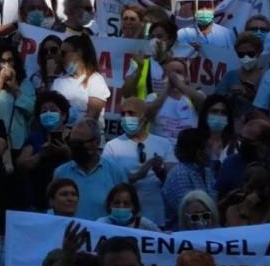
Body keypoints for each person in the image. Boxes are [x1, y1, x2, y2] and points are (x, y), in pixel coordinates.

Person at [102, 97, 174, 225]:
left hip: (157, 216)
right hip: (125, 219)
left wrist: (161, 172)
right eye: (123, 114)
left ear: (144, 117)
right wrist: (139, 175)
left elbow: (173, 181)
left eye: (131, 113)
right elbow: (109, 183)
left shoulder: (164, 144)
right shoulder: (112, 146)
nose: (126, 118)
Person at [51, 118, 127, 221]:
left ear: (96, 142)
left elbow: (126, 208)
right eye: (72, 143)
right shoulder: (61, 173)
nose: (75, 148)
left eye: (80, 143)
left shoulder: (115, 173)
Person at [217, 118, 270, 197]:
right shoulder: (230, 163)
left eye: (247, 141)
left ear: (265, 143)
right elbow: (221, 198)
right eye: (241, 138)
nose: (242, 144)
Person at [162, 128, 216, 227]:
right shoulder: (179, 174)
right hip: (184, 233)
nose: (212, 152)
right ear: (198, 153)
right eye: (209, 148)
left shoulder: (207, 171)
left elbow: (212, 205)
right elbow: (190, 214)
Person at [51, 35, 109, 123]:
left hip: (85, 131)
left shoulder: (95, 80)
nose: (60, 58)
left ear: (79, 53)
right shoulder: (58, 82)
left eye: (63, 53)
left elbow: (92, 117)